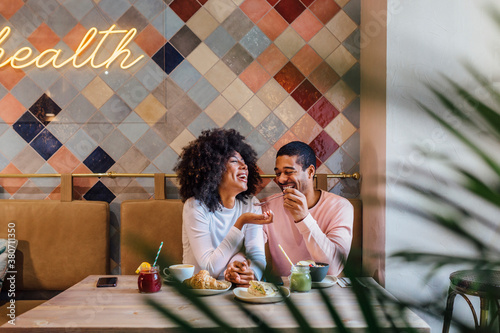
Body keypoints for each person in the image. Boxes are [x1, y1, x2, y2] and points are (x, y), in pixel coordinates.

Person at [225, 141, 353, 282]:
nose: (281, 179)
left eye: (289, 172)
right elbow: (254, 250)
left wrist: (304, 218)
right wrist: (239, 265)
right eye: (278, 173)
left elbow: (333, 268)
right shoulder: (265, 206)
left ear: (310, 172)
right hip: (281, 292)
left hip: (327, 294)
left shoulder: (340, 207)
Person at [174, 128, 273, 282]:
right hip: (198, 293)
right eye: (235, 161)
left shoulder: (251, 204)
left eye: (244, 162)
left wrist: (251, 274)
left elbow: (256, 255)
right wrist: (241, 222)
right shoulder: (195, 206)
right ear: (215, 169)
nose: (244, 166)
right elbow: (209, 269)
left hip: (234, 290)